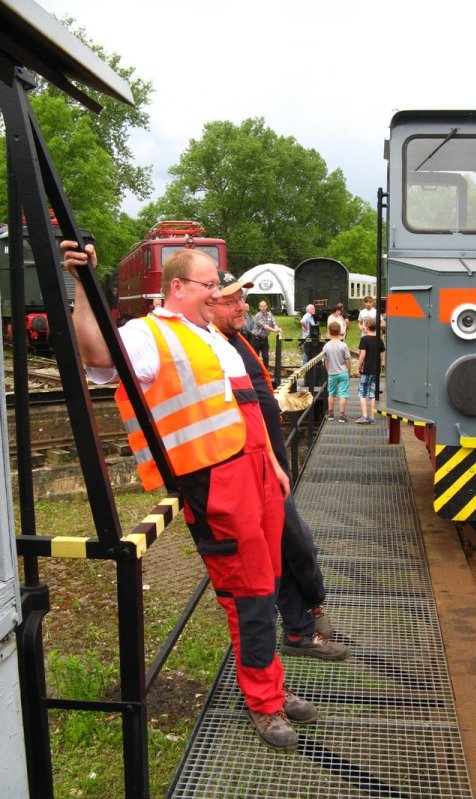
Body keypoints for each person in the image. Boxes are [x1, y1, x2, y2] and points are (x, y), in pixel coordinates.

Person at [60, 241, 315, 754]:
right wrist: (83, 287)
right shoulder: (147, 335)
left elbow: (247, 404)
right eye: (210, 285)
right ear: (178, 288)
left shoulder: (210, 337)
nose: (217, 294)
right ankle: (264, 703)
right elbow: (95, 353)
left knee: (266, 581)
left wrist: (273, 466)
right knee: (249, 594)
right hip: (216, 481)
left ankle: (273, 689)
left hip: (256, 473)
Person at [212, 273, 350, 662]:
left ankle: (301, 627)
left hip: (271, 463)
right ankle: (308, 617)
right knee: (294, 546)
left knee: (291, 549)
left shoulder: (236, 340)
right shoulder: (211, 345)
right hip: (252, 470)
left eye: (242, 299)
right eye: (231, 301)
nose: (242, 306)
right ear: (208, 304)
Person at [354, 317, 386, 424]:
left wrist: (358, 368)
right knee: (372, 393)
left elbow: (362, 355)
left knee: (362, 392)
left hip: (367, 369)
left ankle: (365, 415)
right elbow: (381, 355)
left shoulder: (364, 339)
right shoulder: (379, 339)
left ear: (366, 327)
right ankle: (372, 417)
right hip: (376, 370)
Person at [322, 320, 351, 423]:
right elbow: (347, 360)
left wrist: (328, 370)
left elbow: (326, 361)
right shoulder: (343, 345)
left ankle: (330, 413)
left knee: (331, 393)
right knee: (343, 394)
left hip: (332, 373)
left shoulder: (326, 346)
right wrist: (348, 371)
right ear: (340, 332)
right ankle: (342, 416)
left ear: (329, 332)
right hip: (343, 372)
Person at [251, 300, 282, 368]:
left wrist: (277, 328)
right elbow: (265, 327)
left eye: (264, 306)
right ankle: (256, 374)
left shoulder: (270, 315)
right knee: (255, 358)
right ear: (259, 307)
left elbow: (274, 324)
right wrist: (274, 330)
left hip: (264, 339)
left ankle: (265, 373)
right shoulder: (258, 316)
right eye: (261, 306)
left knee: (266, 357)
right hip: (256, 339)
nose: (263, 307)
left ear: (267, 306)